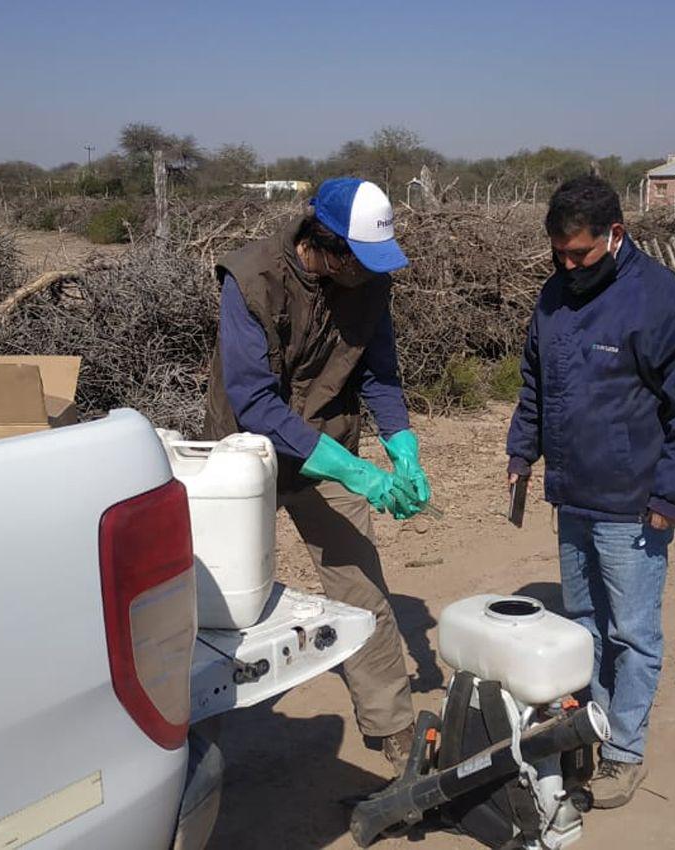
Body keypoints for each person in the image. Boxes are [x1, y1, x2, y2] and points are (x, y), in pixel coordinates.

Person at [505, 175, 675, 808]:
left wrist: (669, 498)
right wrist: (522, 451)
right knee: (583, 627)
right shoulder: (552, 297)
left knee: (631, 633)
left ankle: (624, 752)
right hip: (572, 495)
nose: (570, 266)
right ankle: (587, 731)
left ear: (616, 235)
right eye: (560, 253)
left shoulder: (662, 301)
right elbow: (536, 384)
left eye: (582, 254)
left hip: (633, 504)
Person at [204, 176, 432, 772]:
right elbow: (253, 401)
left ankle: (394, 728)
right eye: (358, 260)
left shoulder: (369, 283)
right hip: (245, 457)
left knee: (363, 593)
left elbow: (379, 373)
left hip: (330, 445)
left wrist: (402, 447)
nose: (368, 273)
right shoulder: (251, 278)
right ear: (324, 244)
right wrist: (359, 473)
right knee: (215, 602)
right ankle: (192, 741)